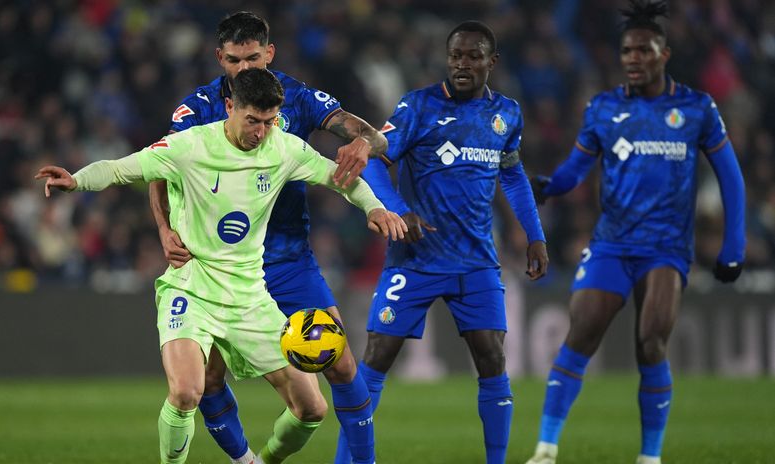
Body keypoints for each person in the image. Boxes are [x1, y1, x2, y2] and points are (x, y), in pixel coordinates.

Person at [35, 68, 407, 464]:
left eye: (269, 122)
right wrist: (76, 180)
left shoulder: (283, 148)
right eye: (252, 120)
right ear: (230, 107)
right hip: (192, 287)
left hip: (249, 296)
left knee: (312, 410)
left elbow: (341, 180)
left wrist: (374, 207)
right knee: (186, 392)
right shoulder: (189, 146)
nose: (261, 132)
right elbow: (120, 168)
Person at [150, 12, 388, 464]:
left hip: (287, 260)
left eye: (254, 58)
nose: (245, 69)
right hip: (218, 265)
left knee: (340, 364)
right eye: (235, 60)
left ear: (270, 54)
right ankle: (246, 460)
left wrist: (365, 143)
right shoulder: (196, 108)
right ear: (220, 58)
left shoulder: (295, 98)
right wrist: (164, 228)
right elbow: (159, 169)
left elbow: (366, 133)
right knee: (209, 379)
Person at [524, 2, 746, 464]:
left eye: (644, 50)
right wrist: (550, 186)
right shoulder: (604, 108)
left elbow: (731, 178)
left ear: (664, 54)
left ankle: (650, 457)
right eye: (627, 50)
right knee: (581, 329)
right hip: (612, 243)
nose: (633, 58)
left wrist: (733, 245)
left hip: (665, 248)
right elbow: (576, 168)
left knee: (651, 341)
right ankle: (545, 449)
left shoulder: (695, 108)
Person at [335, 21, 548, 464]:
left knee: (492, 359)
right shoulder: (418, 106)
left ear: (492, 61)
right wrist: (395, 208)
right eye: (455, 56)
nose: (462, 64)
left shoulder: (506, 113)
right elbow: (374, 160)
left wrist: (535, 234)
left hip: (475, 262)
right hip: (415, 260)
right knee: (376, 358)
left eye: (473, 56)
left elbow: (512, 174)